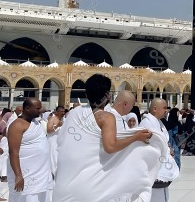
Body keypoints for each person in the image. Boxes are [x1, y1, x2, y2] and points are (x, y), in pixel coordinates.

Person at [52, 74, 161, 202]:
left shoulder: (73, 113)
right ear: (107, 96)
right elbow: (110, 147)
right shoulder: (106, 117)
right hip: (88, 186)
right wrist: (136, 137)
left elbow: (62, 141)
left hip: (64, 183)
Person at [7, 98, 51, 202]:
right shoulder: (17, 125)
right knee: (26, 198)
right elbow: (13, 152)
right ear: (27, 108)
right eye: (37, 108)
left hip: (40, 173)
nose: (41, 110)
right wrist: (18, 175)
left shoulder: (35, 122)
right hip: (26, 173)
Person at [140, 99, 179, 202]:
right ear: (155, 109)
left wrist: (168, 149)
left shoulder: (158, 122)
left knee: (161, 195)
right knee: (156, 196)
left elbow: (163, 141)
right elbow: (147, 146)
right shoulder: (147, 123)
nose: (166, 110)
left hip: (161, 163)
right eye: (164, 108)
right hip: (154, 166)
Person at [46, 106, 65, 177]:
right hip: (53, 142)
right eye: (61, 112)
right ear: (57, 112)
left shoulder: (63, 119)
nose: (63, 113)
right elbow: (48, 130)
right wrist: (57, 126)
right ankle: (53, 174)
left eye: (64, 112)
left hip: (60, 143)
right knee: (53, 158)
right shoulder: (52, 119)